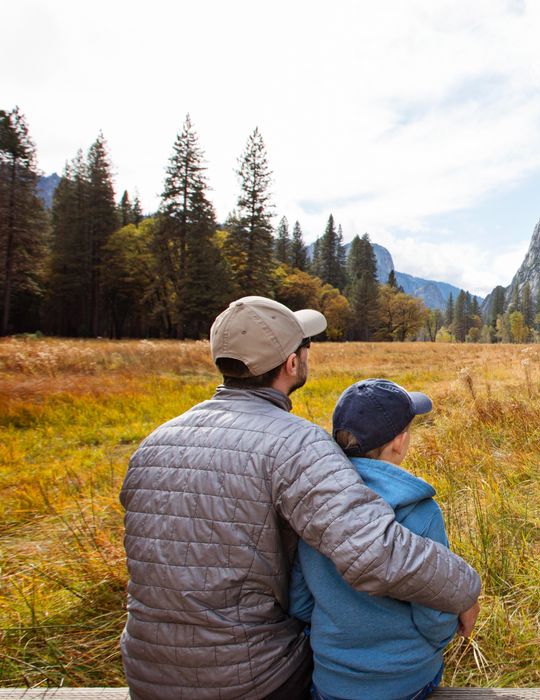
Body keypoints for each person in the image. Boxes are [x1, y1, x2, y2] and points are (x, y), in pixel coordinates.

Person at [119, 296, 481, 700]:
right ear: (293, 364)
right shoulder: (296, 445)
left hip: (145, 675)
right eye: (304, 345)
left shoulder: (154, 442)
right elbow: (375, 552)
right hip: (252, 680)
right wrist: (463, 586)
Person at [289, 379, 459, 700]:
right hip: (405, 680)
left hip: (331, 678)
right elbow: (437, 610)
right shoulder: (420, 513)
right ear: (400, 443)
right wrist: (431, 646)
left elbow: (299, 600)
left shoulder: (316, 505)